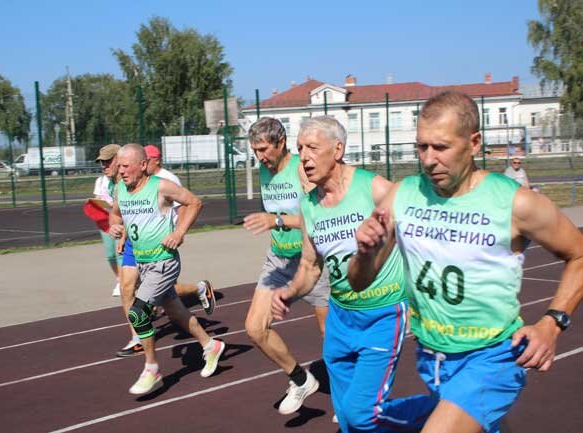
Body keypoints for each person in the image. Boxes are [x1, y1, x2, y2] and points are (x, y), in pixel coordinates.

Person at [348, 90, 583, 433]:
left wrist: (552, 322)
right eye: (421, 147)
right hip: (433, 358)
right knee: (360, 418)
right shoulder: (402, 195)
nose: (428, 160)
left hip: (494, 357)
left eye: (441, 147)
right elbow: (358, 282)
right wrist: (365, 252)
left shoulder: (516, 203)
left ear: (474, 143)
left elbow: (578, 253)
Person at [271, 116, 435, 432]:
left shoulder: (372, 187)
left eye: (312, 148)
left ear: (338, 149)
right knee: (347, 418)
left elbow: (415, 236)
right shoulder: (309, 205)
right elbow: (309, 266)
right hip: (340, 319)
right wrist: (289, 292)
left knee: (362, 414)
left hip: (383, 316)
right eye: (299, 148)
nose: (303, 157)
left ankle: (447, 410)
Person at [109, 143, 225, 396]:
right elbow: (115, 215)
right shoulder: (120, 189)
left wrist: (179, 232)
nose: (121, 171)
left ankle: (152, 368)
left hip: (164, 262)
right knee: (176, 312)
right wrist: (116, 228)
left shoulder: (160, 186)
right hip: (143, 263)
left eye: (126, 166)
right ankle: (210, 345)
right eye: (119, 166)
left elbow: (194, 202)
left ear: (142, 165)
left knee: (138, 313)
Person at [243, 117, 331, 415]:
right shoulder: (264, 171)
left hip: (312, 259)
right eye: (255, 150)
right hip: (279, 258)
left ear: (281, 143)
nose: (260, 156)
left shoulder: (301, 170)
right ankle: (300, 379)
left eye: (264, 149)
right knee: (255, 328)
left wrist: (276, 220)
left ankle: (349, 400)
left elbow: (316, 216)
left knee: (329, 336)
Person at [93, 144, 122, 296]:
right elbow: (98, 199)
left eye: (107, 161)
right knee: (111, 255)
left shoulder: (124, 181)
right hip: (106, 221)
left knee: (121, 254)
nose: (104, 165)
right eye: (102, 162)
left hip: (121, 223)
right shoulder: (102, 181)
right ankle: (120, 279)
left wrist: (115, 206)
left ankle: (125, 282)